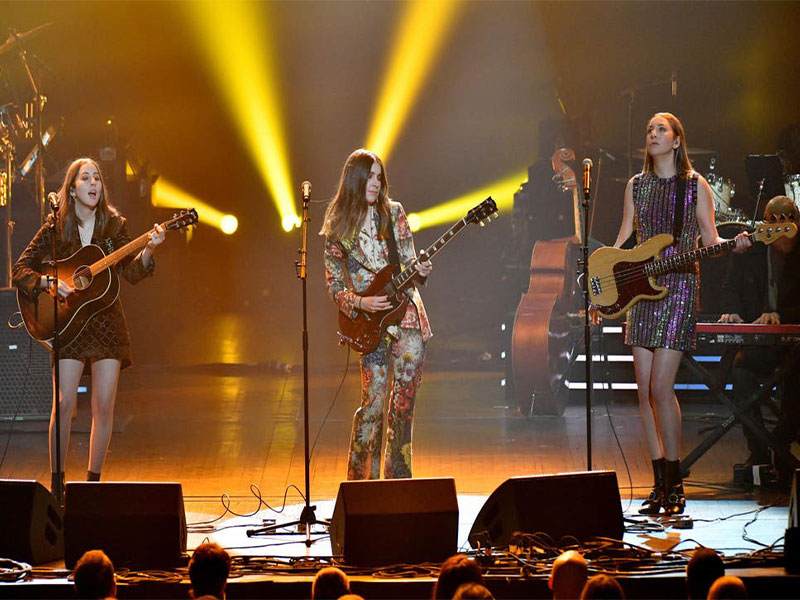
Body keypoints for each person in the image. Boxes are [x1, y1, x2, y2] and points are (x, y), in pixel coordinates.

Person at [612, 113, 750, 515]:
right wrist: (603, 282)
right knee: (644, 391)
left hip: (678, 287)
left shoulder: (695, 186)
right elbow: (625, 238)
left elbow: (710, 238)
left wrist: (735, 243)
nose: (652, 134)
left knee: (660, 386)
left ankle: (675, 482)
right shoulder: (636, 185)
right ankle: (660, 485)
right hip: (639, 289)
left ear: (676, 141)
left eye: (660, 130)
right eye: (649, 129)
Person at [12, 157, 164, 502]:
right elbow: (19, 270)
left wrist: (149, 249)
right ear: (72, 188)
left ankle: (91, 488)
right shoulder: (56, 226)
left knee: (103, 406)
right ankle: (57, 485)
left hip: (107, 321)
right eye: (86, 178)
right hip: (68, 320)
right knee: (64, 402)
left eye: (97, 178)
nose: (93, 183)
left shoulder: (113, 227)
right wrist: (49, 282)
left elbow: (133, 274)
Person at [321, 148, 432, 480]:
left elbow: (412, 262)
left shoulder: (394, 213)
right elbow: (333, 283)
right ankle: (360, 485)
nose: (376, 183)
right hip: (369, 324)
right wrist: (358, 302)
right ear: (355, 178)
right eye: (370, 176)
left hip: (408, 318)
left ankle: (398, 483)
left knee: (403, 407)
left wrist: (422, 269)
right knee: (372, 404)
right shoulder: (338, 225)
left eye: (379, 177)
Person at [719, 195, 800, 477]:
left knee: (797, 378)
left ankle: (780, 442)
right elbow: (729, 287)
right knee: (741, 371)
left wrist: (782, 317)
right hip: (760, 342)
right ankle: (759, 450)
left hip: (795, 345)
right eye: (773, 223)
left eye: (787, 222)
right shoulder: (750, 252)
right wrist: (731, 311)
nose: (781, 230)